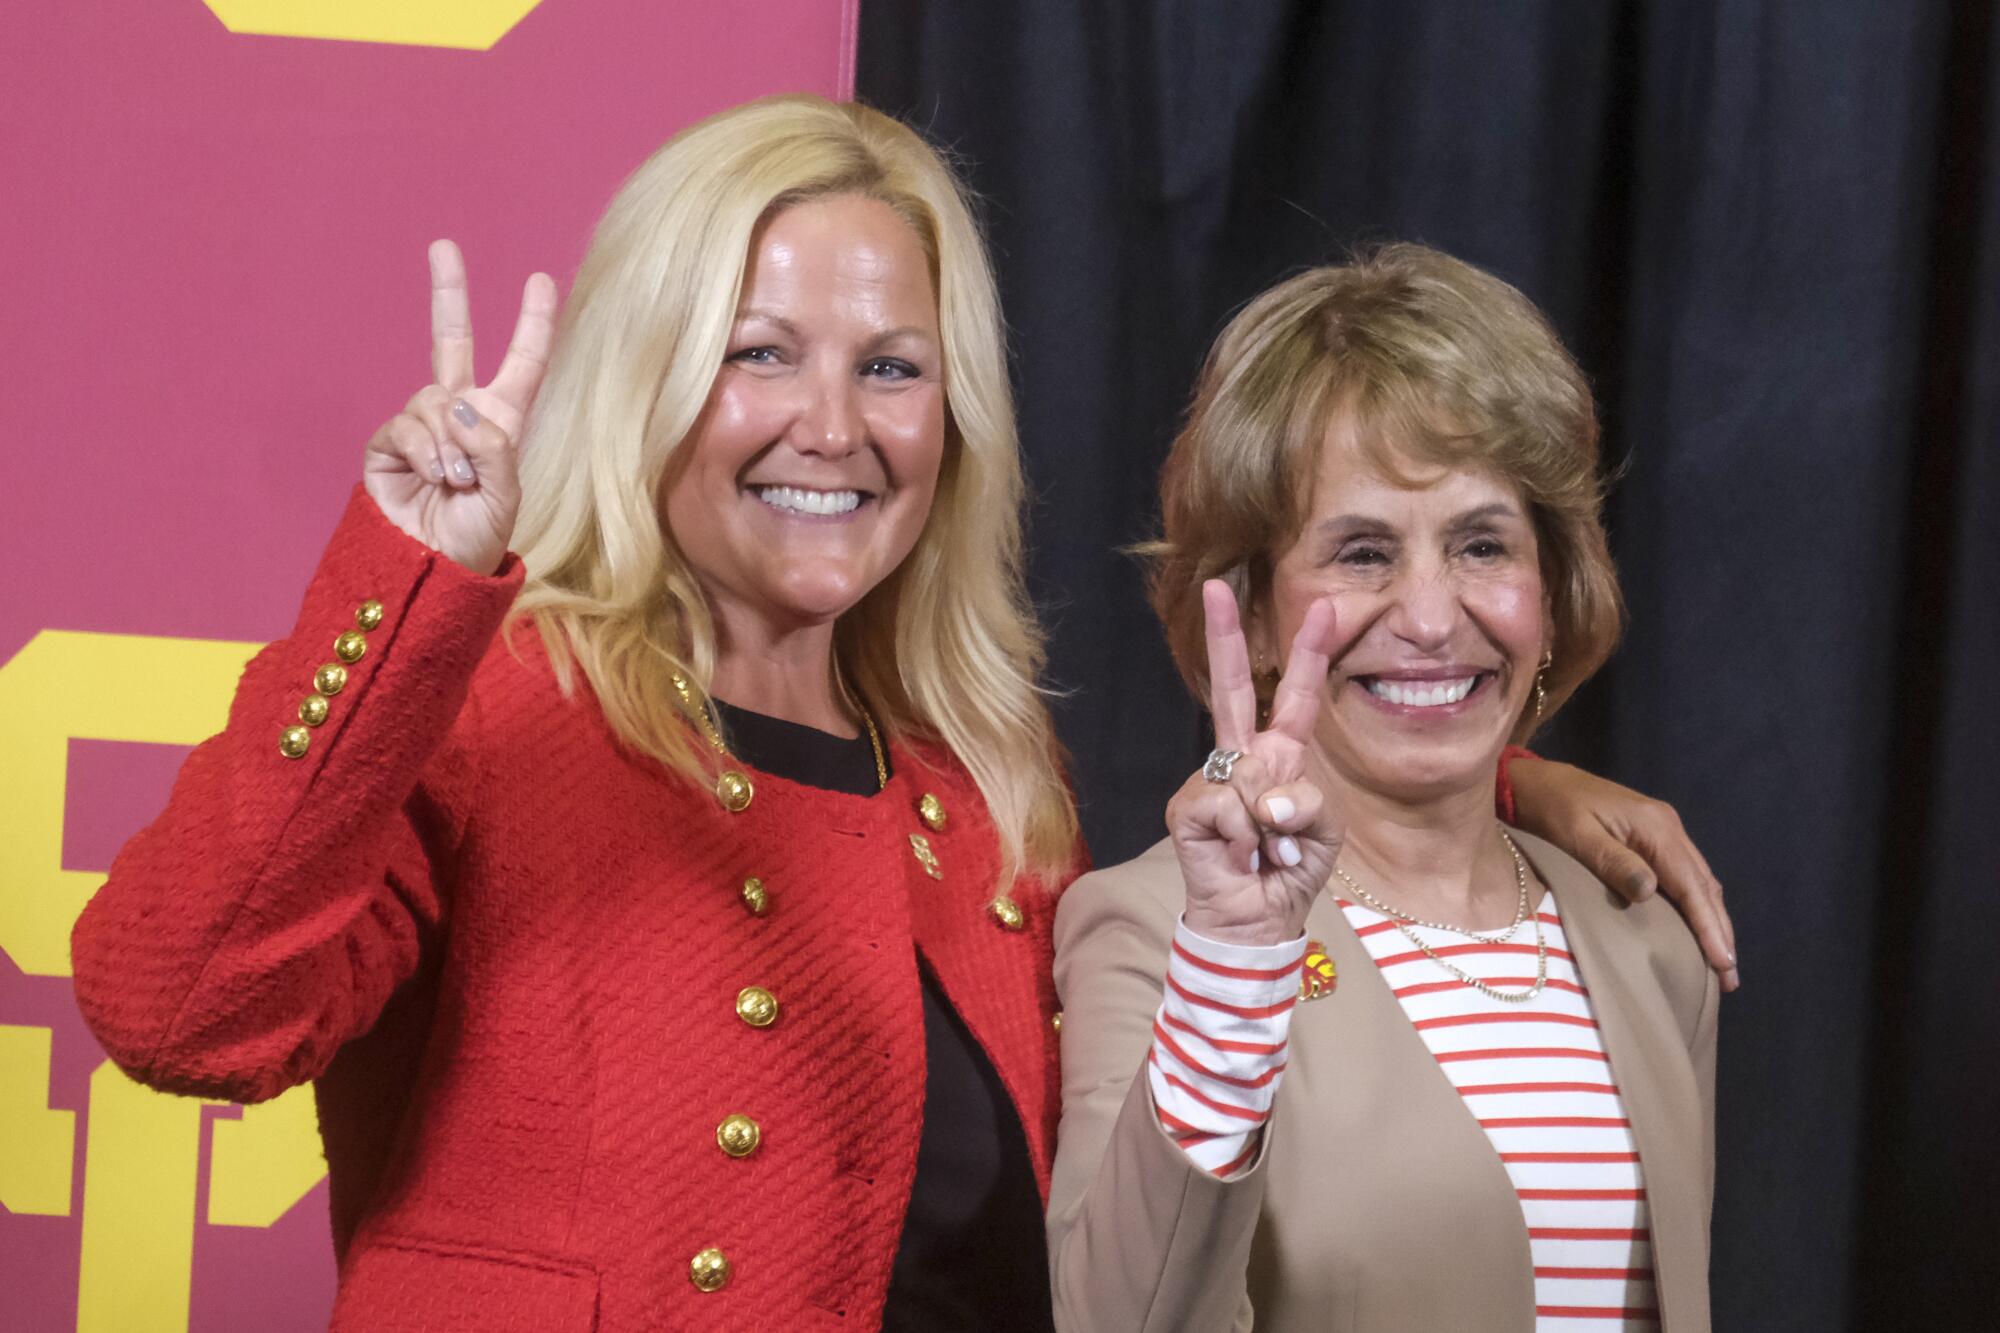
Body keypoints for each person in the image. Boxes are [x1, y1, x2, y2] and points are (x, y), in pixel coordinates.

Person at [69, 95, 1724, 1329]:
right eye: (760, 352)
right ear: (647, 376)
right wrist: (406, 593)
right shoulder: (494, 711)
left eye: (891, 366)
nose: (832, 424)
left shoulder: (984, 789)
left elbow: (1202, 995)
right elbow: (181, 1005)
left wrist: (1492, 784)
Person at [1047, 245, 1717, 1331]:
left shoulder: (1643, 939)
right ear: (1255, 613)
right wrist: (1236, 963)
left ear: (1549, 590)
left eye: (1480, 544)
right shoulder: (1156, 931)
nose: (1426, 614)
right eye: (1360, 552)